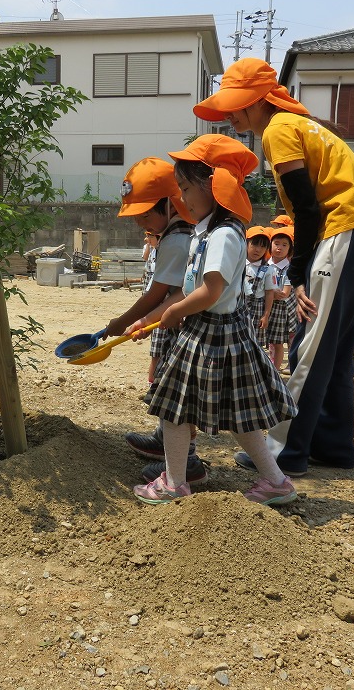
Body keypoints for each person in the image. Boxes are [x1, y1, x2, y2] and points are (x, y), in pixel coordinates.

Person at [194, 58, 354, 476]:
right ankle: (333, 445)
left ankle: (283, 451)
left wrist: (298, 275)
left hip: (347, 235)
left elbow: (304, 207)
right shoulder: (301, 126)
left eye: (234, 105)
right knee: (335, 352)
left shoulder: (280, 129)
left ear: (256, 100)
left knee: (309, 349)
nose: (229, 114)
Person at [125, 134, 298, 506]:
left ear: (212, 185)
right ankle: (273, 481)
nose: (182, 197)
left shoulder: (223, 234)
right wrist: (150, 320)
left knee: (177, 407)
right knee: (203, 411)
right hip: (209, 331)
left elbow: (211, 290)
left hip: (215, 334)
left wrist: (171, 313)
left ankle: (176, 482)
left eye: (186, 188)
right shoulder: (207, 231)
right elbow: (189, 290)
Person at [104, 158, 206, 485]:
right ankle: (165, 442)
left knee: (177, 393)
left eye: (146, 214)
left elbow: (156, 295)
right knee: (167, 385)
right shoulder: (171, 234)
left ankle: (187, 462)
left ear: (170, 203)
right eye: (136, 216)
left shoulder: (177, 240)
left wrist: (124, 321)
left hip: (186, 327)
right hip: (173, 324)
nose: (140, 222)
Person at [261, 226, 298, 373]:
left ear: (290, 248)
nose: (279, 248)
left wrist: (269, 292)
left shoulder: (289, 268)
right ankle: (272, 363)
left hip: (284, 309)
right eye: (276, 243)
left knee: (285, 339)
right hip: (268, 308)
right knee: (271, 339)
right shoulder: (264, 265)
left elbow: (285, 293)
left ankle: (288, 364)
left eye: (284, 245)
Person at [243, 225, 271, 347]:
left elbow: (269, 293)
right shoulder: (238, 263)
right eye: (254, 244)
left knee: (254, 344)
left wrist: (266, 315)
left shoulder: (268, 269)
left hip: (257, 309)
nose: (258, 250)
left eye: (262, 246)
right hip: (237, 306)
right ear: (246, 243)